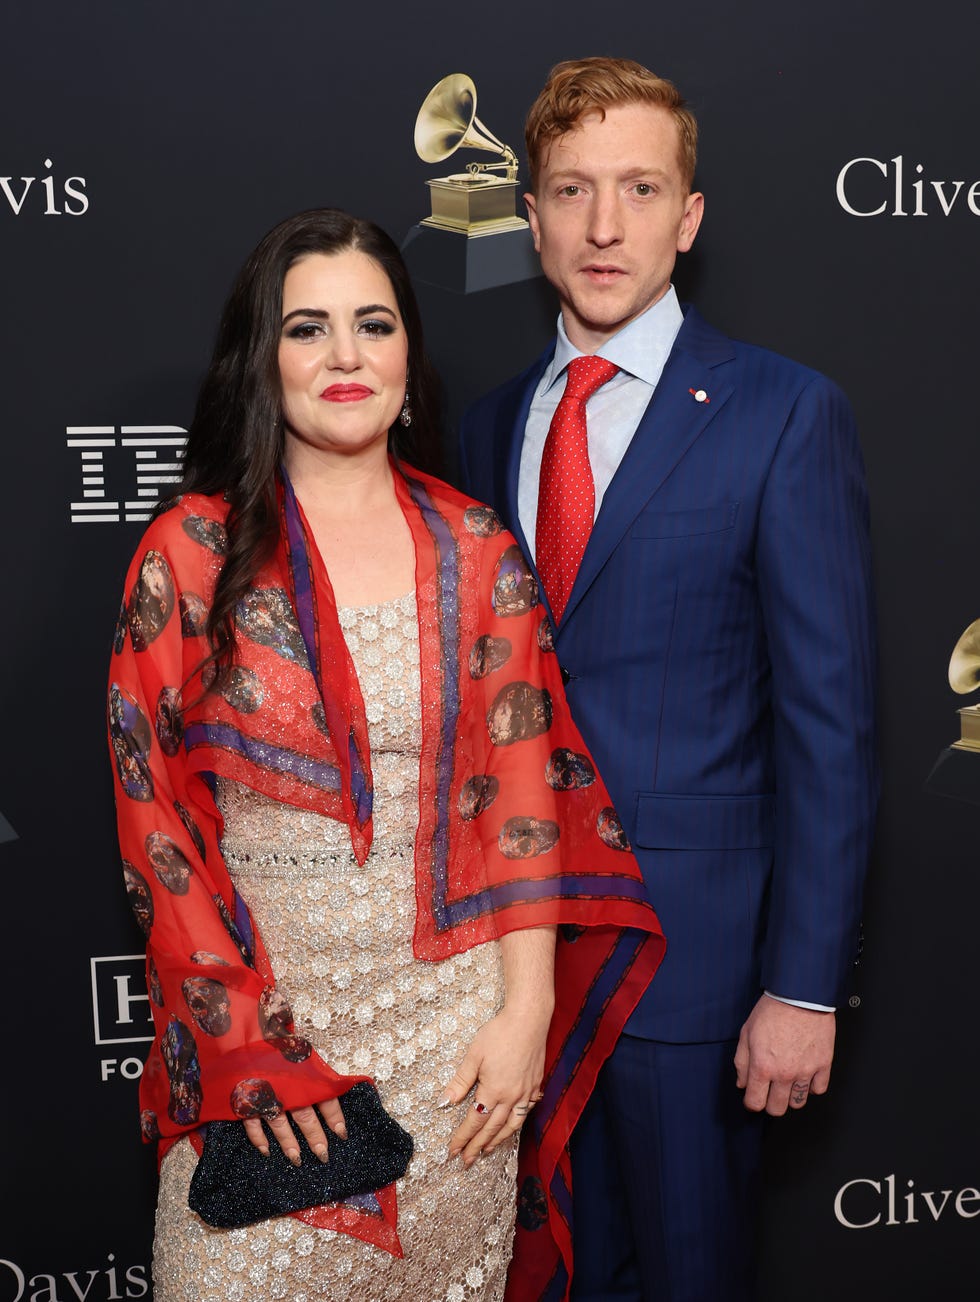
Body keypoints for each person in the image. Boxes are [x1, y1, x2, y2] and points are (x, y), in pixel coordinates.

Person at [108, 208, 664, 1301]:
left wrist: (523, 1016)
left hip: (454, 1055)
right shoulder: (194, 551)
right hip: (265, 1047)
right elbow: (152, 820)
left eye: (372, 324)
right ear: (264, 359)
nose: (346, 355)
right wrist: (250, 1051)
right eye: (308, 328)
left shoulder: (476, 546)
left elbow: (525, 804)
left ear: (410, 353)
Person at [459, 58, 879, 1302]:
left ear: (687, 218)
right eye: (572, 191)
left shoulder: (782, 415)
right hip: (505, 979)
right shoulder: (481, 428)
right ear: (527, 215)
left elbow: (830, 726)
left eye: (639, 189)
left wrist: (801, 985)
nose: (603, 226)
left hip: (688, 978)